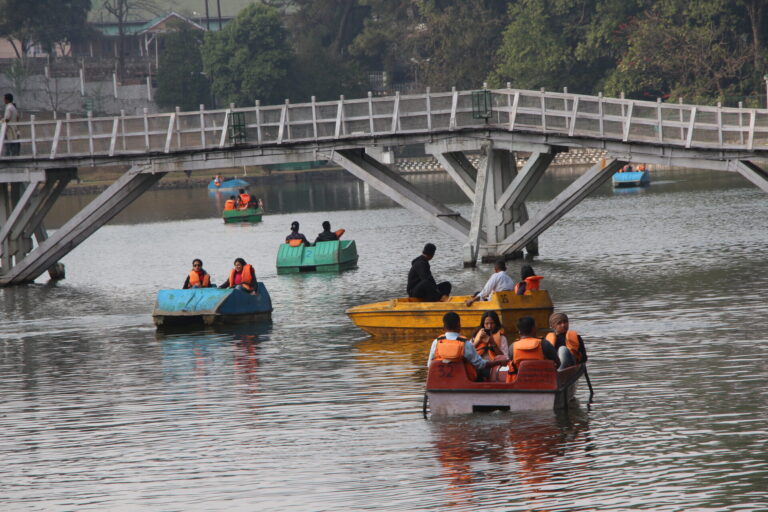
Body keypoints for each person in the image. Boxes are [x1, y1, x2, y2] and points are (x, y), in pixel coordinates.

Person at [427, 312, 508, 381]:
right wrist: (499, 362)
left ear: (443, 328)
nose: (489, 326)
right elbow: (481, 364)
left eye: (492, 323)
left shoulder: (436, 342)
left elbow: (430, 364)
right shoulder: (465, 343)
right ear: (459, 326)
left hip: (442, 379)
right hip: (463, 380)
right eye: (487, 323)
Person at [507, 316, 558, 382]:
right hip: (544, 383)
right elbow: (558, 363)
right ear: (534, 329)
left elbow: (511, 365)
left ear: (519, 332)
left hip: (520, 383)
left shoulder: (512, 347)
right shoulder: (544, 344)